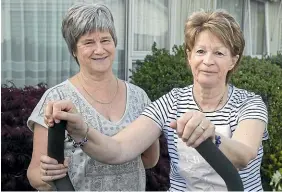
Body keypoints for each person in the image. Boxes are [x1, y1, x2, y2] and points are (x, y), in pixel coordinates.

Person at [44, 9, 268, 191]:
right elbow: (118, 149)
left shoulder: (249, 104)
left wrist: (212, 137)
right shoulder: (171, 102)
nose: (207, 61)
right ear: (189, 56)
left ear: (233, 61)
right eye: (200, 51)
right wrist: (81, 129)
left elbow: (243, 156)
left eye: (219, 53)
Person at [26, 3, 160, 191]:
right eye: (89, 42)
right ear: (74, 50)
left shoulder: (139, 97)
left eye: (105, 40)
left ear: (114, 42)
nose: (99, 50)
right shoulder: (56, 99)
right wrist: (46, 175)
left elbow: (149, 160)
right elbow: (34, 174)